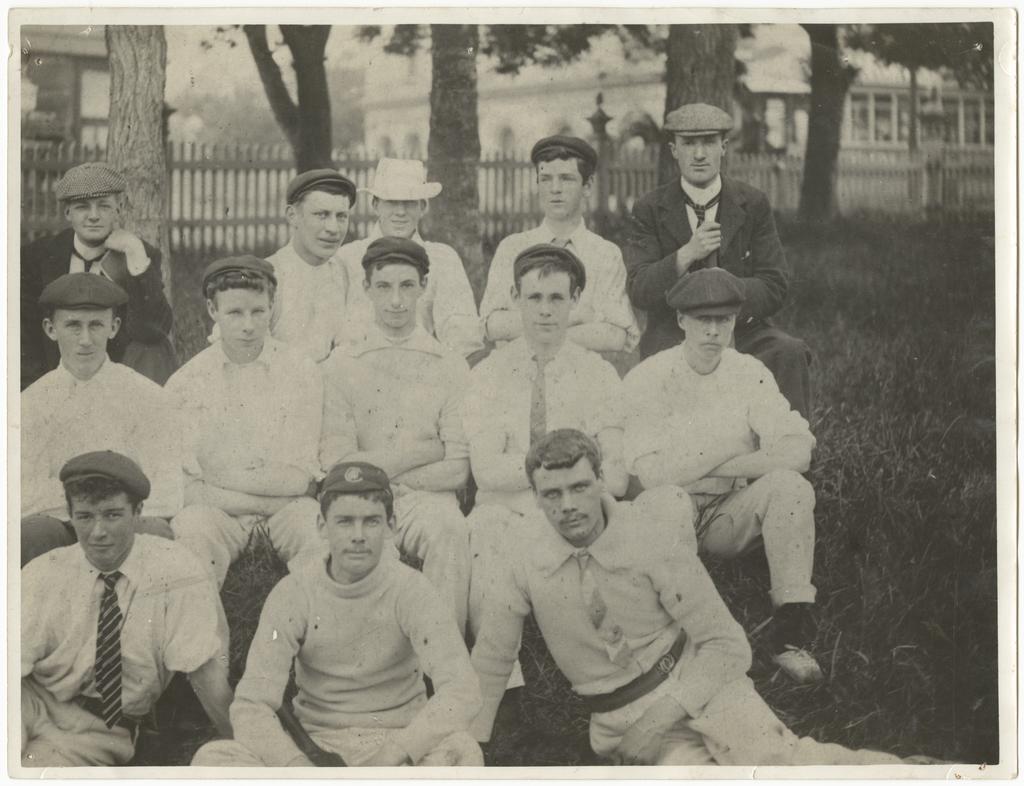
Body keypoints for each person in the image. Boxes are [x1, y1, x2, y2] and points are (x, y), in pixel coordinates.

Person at [469, 429, 907, 766]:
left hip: (702, 681)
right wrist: (469, 747)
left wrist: (658, 718)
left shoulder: (648, 535)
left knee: (782, 765)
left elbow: (728, 645)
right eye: (552, 493)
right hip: (619, 718)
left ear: (601, 481)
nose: (568, 505)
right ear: (535, 497)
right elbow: (492, 658)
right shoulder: (522, 558)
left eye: (580, 487)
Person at [191, 461, 483, 768]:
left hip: (398, 741)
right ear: (321, 526)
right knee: (213, 760)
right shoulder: (294, 592)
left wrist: (392, 754)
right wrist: (295, 764)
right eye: (344, 522)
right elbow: (252, 704)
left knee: (462, 751)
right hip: (317, 742)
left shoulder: (413, 590)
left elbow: (462, 689)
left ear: (391, 526)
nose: (358, 535)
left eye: (371, 522)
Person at [621, 268, 822, 683]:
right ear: (681, 320)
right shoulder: (650, 376)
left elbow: (799, 451)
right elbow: (653, 475)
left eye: (724, 320)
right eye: (703, 320)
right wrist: (727, 448)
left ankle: (789, 634)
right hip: (666, 512)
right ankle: (682, 640)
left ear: (735, 321)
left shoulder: (748, 371)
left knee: (791, 487)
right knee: (669, 499)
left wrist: (714, 464)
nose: (713, 331)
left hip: (726, 510)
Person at [21, 451, 232, 767]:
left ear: (138, 512)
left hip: (96, 727)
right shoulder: (44, 572)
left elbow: (204, 671)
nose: (98, 532)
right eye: (85, 517)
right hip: (28, 698)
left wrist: (247, 747)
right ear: (70, 515)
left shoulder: (177, 571)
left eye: (112, 515)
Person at [464, 243, 627, 641]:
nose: (545, 310)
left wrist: (556, 488)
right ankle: (499, 669)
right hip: (506, 512)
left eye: (556, 298)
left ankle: (605, 658)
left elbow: (617, 475)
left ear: (575, 299)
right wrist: (571, 472)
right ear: (515, 298)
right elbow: (487, 472)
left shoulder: (598, 374)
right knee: (484, 528)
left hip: (576, 511)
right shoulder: (488, 374)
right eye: (534, 297)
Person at [320, 237, 472, 636]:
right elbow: (337, 463)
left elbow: (457, 469)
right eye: (384, 287)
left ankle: (443, 656)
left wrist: (392, 476)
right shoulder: (342, 364)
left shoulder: (449, 365)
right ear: (366, 289)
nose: (396, 301)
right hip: (361, 497)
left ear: (424, 287)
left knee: (450, 530)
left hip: (427, 498)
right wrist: (424, 450)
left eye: (407, 286)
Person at [622, 103, 812, 418]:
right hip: (676, 331)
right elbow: (639, 288)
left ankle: (790, 447)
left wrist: (721, 293)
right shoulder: (650, 208)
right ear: (673, 150)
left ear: (723, 147)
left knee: (787, 351)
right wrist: (686, 254)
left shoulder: (752, 203)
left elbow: (775, 284)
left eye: (709, 142)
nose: (699, 154)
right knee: (661, 375)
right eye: (689, 143)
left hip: (741, 328)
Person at [167, 256, 323, 589]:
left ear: (272, 308)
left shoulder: (301, 371)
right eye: (235, 313)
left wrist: (219, 478)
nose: (248, 325)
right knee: (192, 533)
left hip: (289, 511)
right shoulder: (187, 382)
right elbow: (188, 490)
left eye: (258, 311)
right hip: (220, 513)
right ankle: (200, 623)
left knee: (318, 537)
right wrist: (261, 497)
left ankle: (316, 619)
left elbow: (300, 481)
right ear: (212, 310)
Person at [20, 273, 180, 567]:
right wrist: (91, 505)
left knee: (154, 531)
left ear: (114, 327)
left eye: (96, 325)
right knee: (30, 533)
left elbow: (167, 490)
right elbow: (22, 495)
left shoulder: (146, 396)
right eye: (73, 325)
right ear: (50, 329)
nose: (85, 340)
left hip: (125, 524)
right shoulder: (30, 403)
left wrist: (109, 510)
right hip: (61, 526)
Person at [479, 135, 639, 356]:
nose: (555, 189)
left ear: (587, 186)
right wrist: (579, 316)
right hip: (518, 369)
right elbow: (493, 325)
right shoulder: (512, 247)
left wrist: (535, 328)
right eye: (546, 179)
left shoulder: (605, 253)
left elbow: (616, 336)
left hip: (581, 373)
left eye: (566, 179)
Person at [21, 162, 175, 389]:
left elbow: (154, 331)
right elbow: (24, 334)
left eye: (103, 206)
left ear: (118, 209)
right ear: (68, 212)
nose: (94, 216)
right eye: (82, 207)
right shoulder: (37, 256)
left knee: (154, 348)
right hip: (56, 380)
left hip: (117, 380)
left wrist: (134, 252)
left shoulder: (138, 254)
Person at [331, 158, 483, 360]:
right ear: (375, 205)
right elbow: (329, 328)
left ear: (422, 207)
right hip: (357, 368)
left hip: (421, 368)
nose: (400, 212)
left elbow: (461, 332)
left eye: (410, 202)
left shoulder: (442, 258)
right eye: (391, 202)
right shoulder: (347, 257)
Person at [210, 169, 356, 363]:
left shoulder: (343, 272)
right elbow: (230, 353)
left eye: (341, 216)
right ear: (292, 216)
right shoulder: (265, 277)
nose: (333, 228)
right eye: (321, 215)